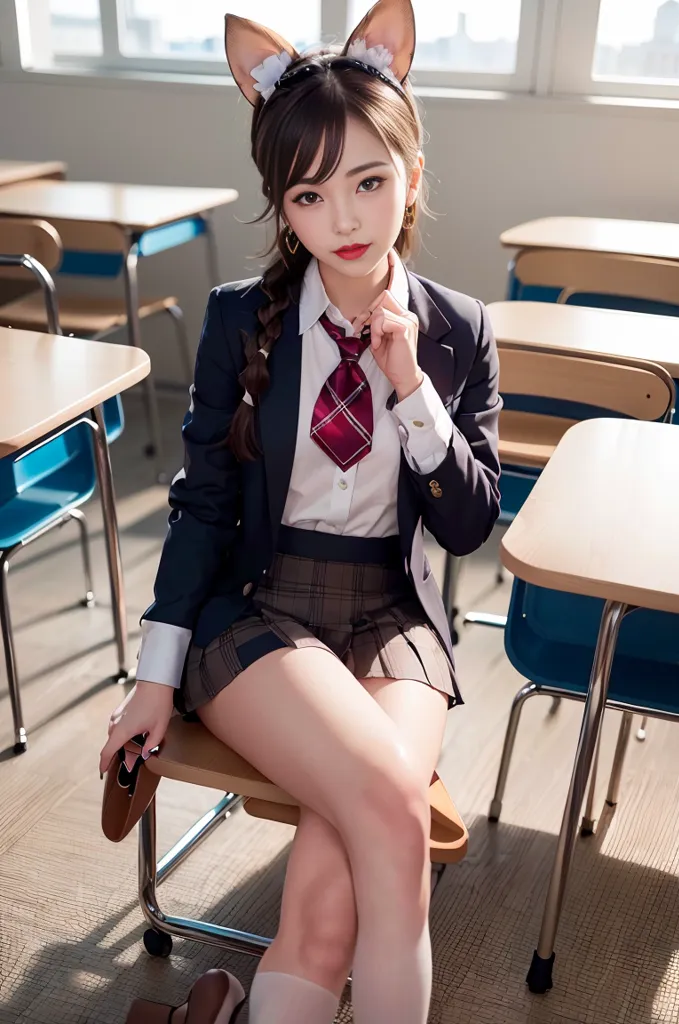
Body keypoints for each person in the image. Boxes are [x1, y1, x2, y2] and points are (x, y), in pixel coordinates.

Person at [102, 0, 502, 1020]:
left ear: (411, 166)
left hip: (392, 619)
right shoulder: (243, 318)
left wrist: (410, 389)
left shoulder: (459, 330)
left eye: (370, 180)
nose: (348, 220)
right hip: (259, 606)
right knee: (390, 813)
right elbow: (197, 509)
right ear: (282, 204)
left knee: (333, 904)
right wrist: (153, 677)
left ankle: (239, 999)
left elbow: (467, 527)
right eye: (311, 195)